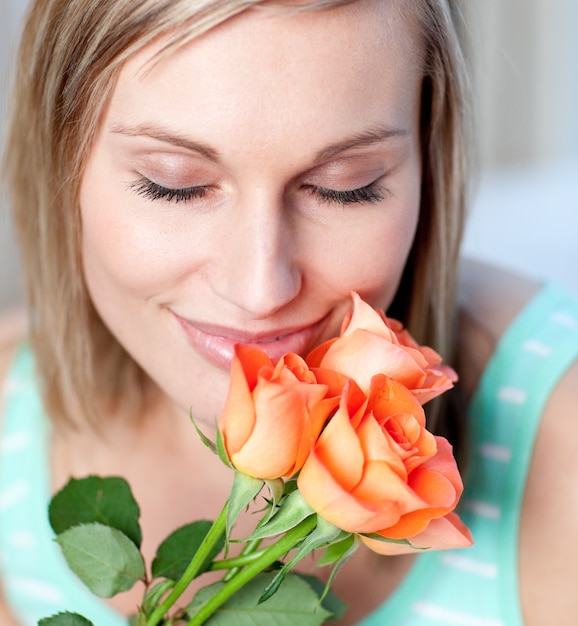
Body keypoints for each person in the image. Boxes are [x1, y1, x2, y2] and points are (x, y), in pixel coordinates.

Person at [1, 0, 577, 624]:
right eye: (174, 184)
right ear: (62, 160)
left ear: (427, 162)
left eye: (344, 185)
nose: (260, 290)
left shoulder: (559, 439)